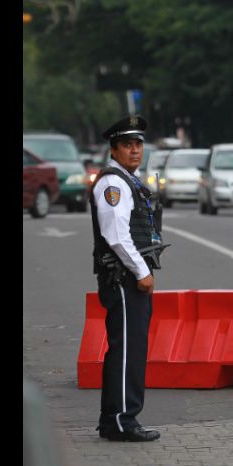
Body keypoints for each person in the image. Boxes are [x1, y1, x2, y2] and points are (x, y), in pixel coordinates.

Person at [91, 115, 165, 441]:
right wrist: (142, 271)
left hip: (128, 277)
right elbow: (117, 235)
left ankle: (115, 420)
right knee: (126, 351)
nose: (135, 150)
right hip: (123, 278)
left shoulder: (128, 180)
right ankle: (122, 420)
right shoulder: (113, 183)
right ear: (113, 149)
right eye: (127, 145)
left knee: (131, 349)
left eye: (138, 144)